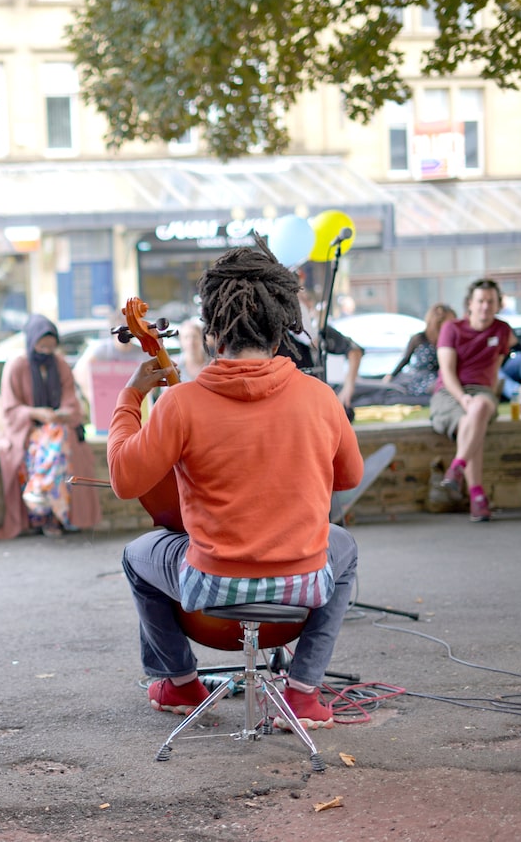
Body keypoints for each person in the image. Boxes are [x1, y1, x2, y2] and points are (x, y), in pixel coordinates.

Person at [107, 240, 364, 730]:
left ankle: (179, 681)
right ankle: (305, 692)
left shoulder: (180, 404)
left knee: (138, 555)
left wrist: (131, 396)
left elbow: (124, 478)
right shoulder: (320, 398)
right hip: (302, 588)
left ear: (212, 329)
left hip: (211, 589)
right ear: (282, 324)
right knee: (344, 547)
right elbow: (348, 477)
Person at [0, 315, 101, 539]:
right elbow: (10, 408)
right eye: (41, 346)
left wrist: (59, 414)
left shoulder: (60, 364)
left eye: (50, 347)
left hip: (57, 428)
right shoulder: (17, 365)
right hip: (27, 430)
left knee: (58, 438)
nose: (45, 351)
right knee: (54, 443)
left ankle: (44, 500)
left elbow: (71, 401)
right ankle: (53, 512)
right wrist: (36, 413)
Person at [432, 279, 517, 522]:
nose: (485, 306)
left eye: (491, 301)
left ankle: (457, 466)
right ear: (470, 303)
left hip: (481, 392)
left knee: (478, 408)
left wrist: (483, 394)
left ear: (498, 304)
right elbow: (446, 372)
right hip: (449, 393)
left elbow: (495, 366)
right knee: (473, 425)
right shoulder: (452, 328)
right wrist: (462, 398)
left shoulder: (502, 330)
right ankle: (477, 496)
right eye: (480, 301)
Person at [278, 279, 364, 418]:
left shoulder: (321, 331)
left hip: (315, 401)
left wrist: (348, 387)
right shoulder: (278, 336)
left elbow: (355, 351)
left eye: (303, 300)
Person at [383, 303, 457, 399]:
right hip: (422, 378)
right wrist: (391, 375)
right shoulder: (419, 338)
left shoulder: (451, 340)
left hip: (441, 377)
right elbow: (405, 359)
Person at [175, 317, 211, 382]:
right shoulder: (173, 364)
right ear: (180, 340)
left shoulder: (212, 364)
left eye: (194, 336)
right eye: (186, 337)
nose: (191, 342)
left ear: (202, 338)